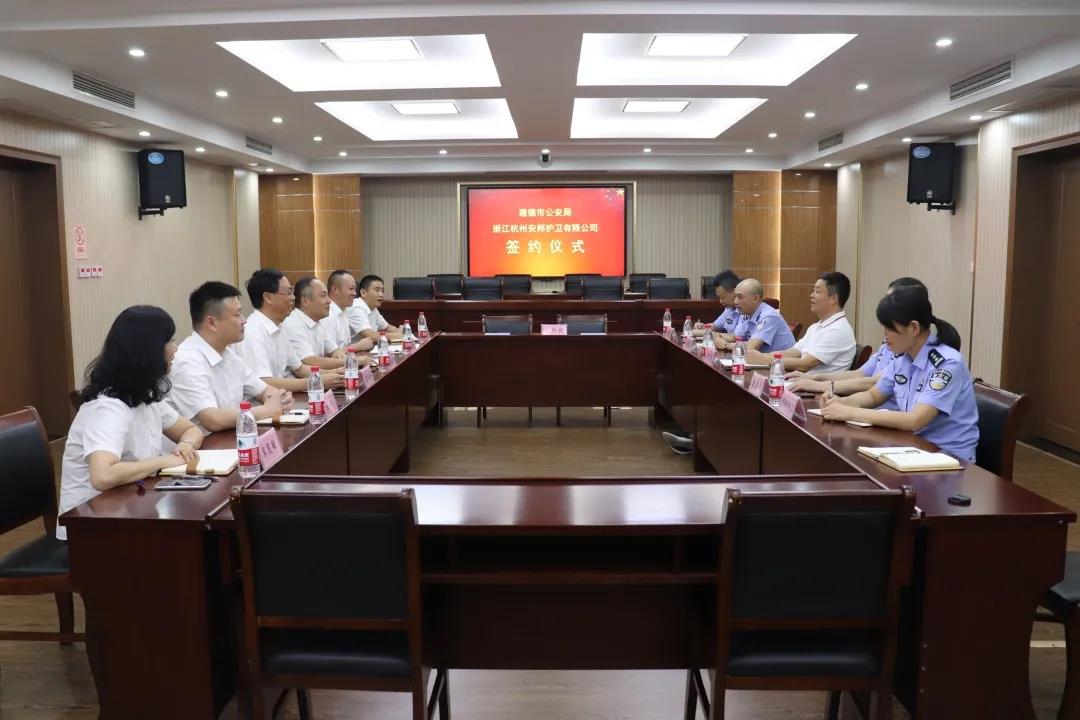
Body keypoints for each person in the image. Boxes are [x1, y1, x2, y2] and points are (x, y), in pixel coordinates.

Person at [57, 306, 204, 540]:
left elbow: (190, 429)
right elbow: (103, 475)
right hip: (89, 531)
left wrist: (186, 445)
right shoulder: (107, 408)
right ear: (150, 350)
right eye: (170, 340)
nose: (175, 348)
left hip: (130, 511)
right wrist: (165, 461)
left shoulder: (144, 395)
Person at [819, 285, 979, 461]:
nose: (885, 336)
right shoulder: (903, 357)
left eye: (890, 328)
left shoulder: (947, 364)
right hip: (911, 446)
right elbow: (873, 395)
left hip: (947, 457)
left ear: (913, 328)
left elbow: (915, 420)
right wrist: (840, 402)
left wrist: (849, 412)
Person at [168, 281, 293, 433]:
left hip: (232, 438)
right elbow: (213, 420)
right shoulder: (187, 360)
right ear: (212, 323)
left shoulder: (227, 353)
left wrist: (280, 398)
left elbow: (264, 390)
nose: (244, 320)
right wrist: (268, 409)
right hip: (203, 446)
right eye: (237, 314)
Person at [787, 277, 927, 406]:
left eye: (893, 301)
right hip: (872, 411)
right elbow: (861, 375)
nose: (887, 305)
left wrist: (818, 385)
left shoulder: (921, 354)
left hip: (885, 415)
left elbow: (873, 383)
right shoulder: (892, 344)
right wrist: (815, 380)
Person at [236, 268, 343, 392]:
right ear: (268, 297)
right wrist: (317, 381)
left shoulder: (278, 327)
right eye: (288, 292)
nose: (293, 297)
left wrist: (335, 374)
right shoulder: (253, 331)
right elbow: (264, 382)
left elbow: (299, 369)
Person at [744, 271, 856, 374]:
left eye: (817, 291)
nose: (812, 295)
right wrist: (759, 356)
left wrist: (763, 359)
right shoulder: (816, 327)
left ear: (833, 298)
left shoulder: (838, 330)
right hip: (799, 382)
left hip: (816, 387)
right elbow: (792, 353)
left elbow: (805, 365)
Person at [282, 276, 346, 370]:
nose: (329, 301)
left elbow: (335, 350)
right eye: (323, 296)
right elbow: (310, 362)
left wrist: (339, 356)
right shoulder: (292, 324)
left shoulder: (318, 322)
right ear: (305, 301)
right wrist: (349, 361)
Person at [730, 278, 796, 353]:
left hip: (780, 360)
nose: (735, 302)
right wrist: (718, 336)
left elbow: (751, 347)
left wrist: (726, 345)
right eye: (735, 297)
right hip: (762, 359)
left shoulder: (769, 316)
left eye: (740, 297)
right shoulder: (747, 312)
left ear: (755, 299)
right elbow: (735, 337)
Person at [320, 269, 374, 355]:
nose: (354, 293)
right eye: (351, 289)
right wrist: (358, 346)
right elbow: (331, 354)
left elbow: (345, 346)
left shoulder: (343, 311)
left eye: (355, 289)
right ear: (335, 289)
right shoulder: (327, 315)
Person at [348, 274, 401, 341]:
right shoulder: (356, 308)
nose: (381, 295)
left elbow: (388, 328)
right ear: (363, 292)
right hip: (353, 347)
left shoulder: (373, 308)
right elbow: (372, 336)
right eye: (377, 290)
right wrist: (398, 335)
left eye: (382, 291)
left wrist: (401, 332)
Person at [692, 270, 740, 340]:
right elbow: (715, 326)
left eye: (722, 297)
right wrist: (704, 327)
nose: (721, 301)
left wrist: (703, 332)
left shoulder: (746, 310)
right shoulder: (729, 309)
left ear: (734, 292)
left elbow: (735, 338)